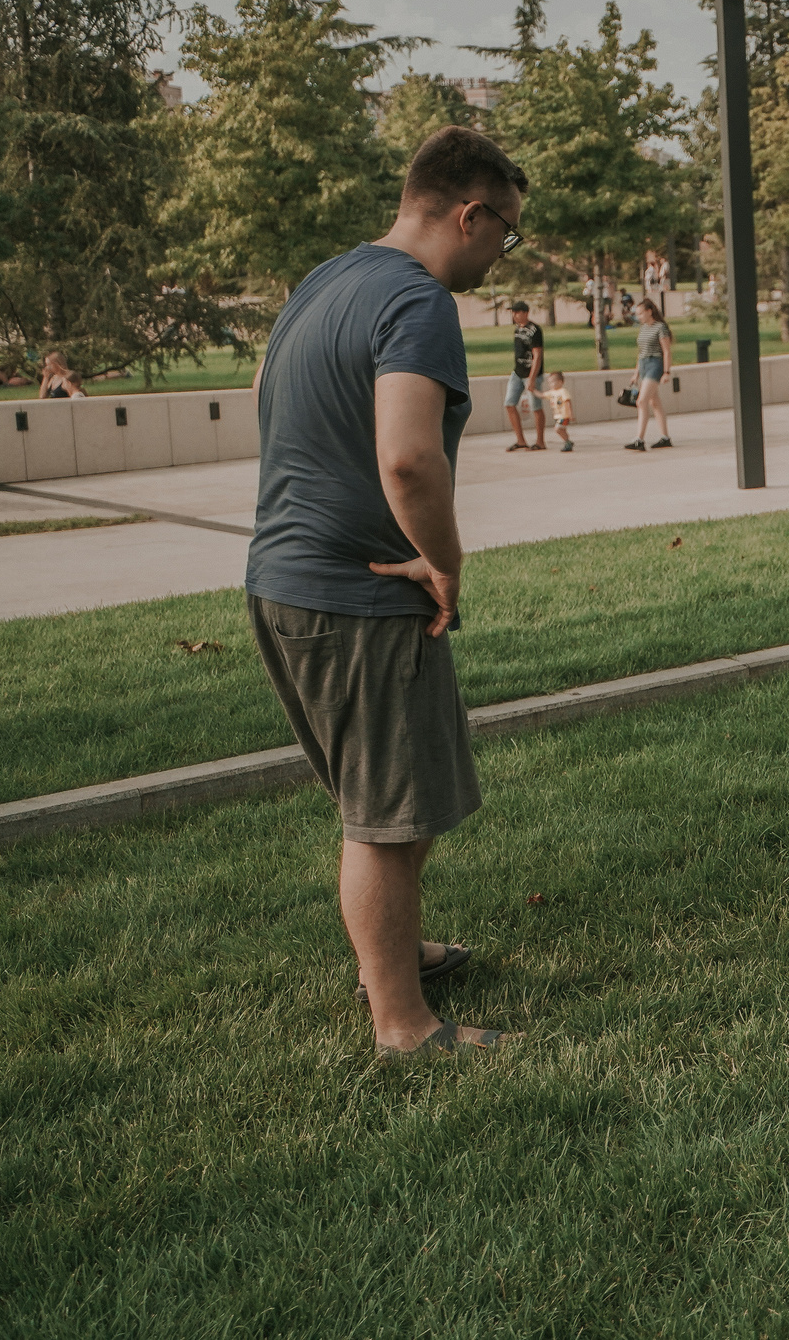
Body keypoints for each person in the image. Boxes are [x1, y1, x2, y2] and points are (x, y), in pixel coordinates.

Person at [244, 125, 524, 1061]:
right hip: (358, 592)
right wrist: (443, 559)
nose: (500, 254)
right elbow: (407, 456)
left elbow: (270, 394)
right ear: (468, 212)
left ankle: (397, 952)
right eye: (506, 233)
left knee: (393, 794)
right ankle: (402, 1022)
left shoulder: (326, 281)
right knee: (385, 820)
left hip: (281, 580)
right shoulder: (418, 300)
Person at [624, 295, 674, 451]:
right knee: (654, 403)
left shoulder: (660, 327)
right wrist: (636, 373)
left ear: (649, 311)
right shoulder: (643, 328)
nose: (638, 317)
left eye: (640, 313)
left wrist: (666, 371)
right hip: (644, 364)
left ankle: (639, 439)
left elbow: (666, 351)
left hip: (655, 363)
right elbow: (641, 353)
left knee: (641, 401)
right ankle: (665, 437)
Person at [503, 300, 545, 451]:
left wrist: (532, 378)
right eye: (513, 312)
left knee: (536, 407)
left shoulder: (535, 330)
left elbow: (537, 355)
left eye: (517, 312)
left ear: (525, 313)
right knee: (509, 403)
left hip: (531, 373)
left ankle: (540, 441)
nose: (514, 315)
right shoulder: (516, 329)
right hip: (517, 372)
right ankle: (521, 440)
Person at [545, 371, 575, 452]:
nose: (551, 384)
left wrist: (570, 414)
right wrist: (533, 391)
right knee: (563, 430)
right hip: (557, 416)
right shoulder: (552, 392)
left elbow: (568, 402)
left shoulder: (563, 391)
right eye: (549, 382)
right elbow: (542, 395)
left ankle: (567, 442)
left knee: (557, 429)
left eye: (553, 382)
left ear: (560, 382)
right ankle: (568, 442)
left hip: (564, 415)